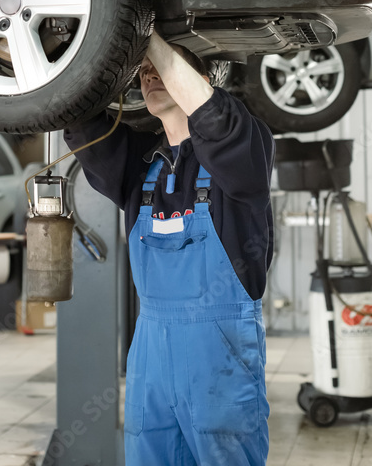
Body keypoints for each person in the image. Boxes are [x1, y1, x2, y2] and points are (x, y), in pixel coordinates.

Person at [64, 30, 275, 466]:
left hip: (218, 352)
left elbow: (217, 122)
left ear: (200, 79)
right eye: (143, 73)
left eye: (159, 69)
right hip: (151, 353)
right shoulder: (139, 164)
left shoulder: (244, 149)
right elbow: (79, 117)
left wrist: (148, 36)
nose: (149, 77)